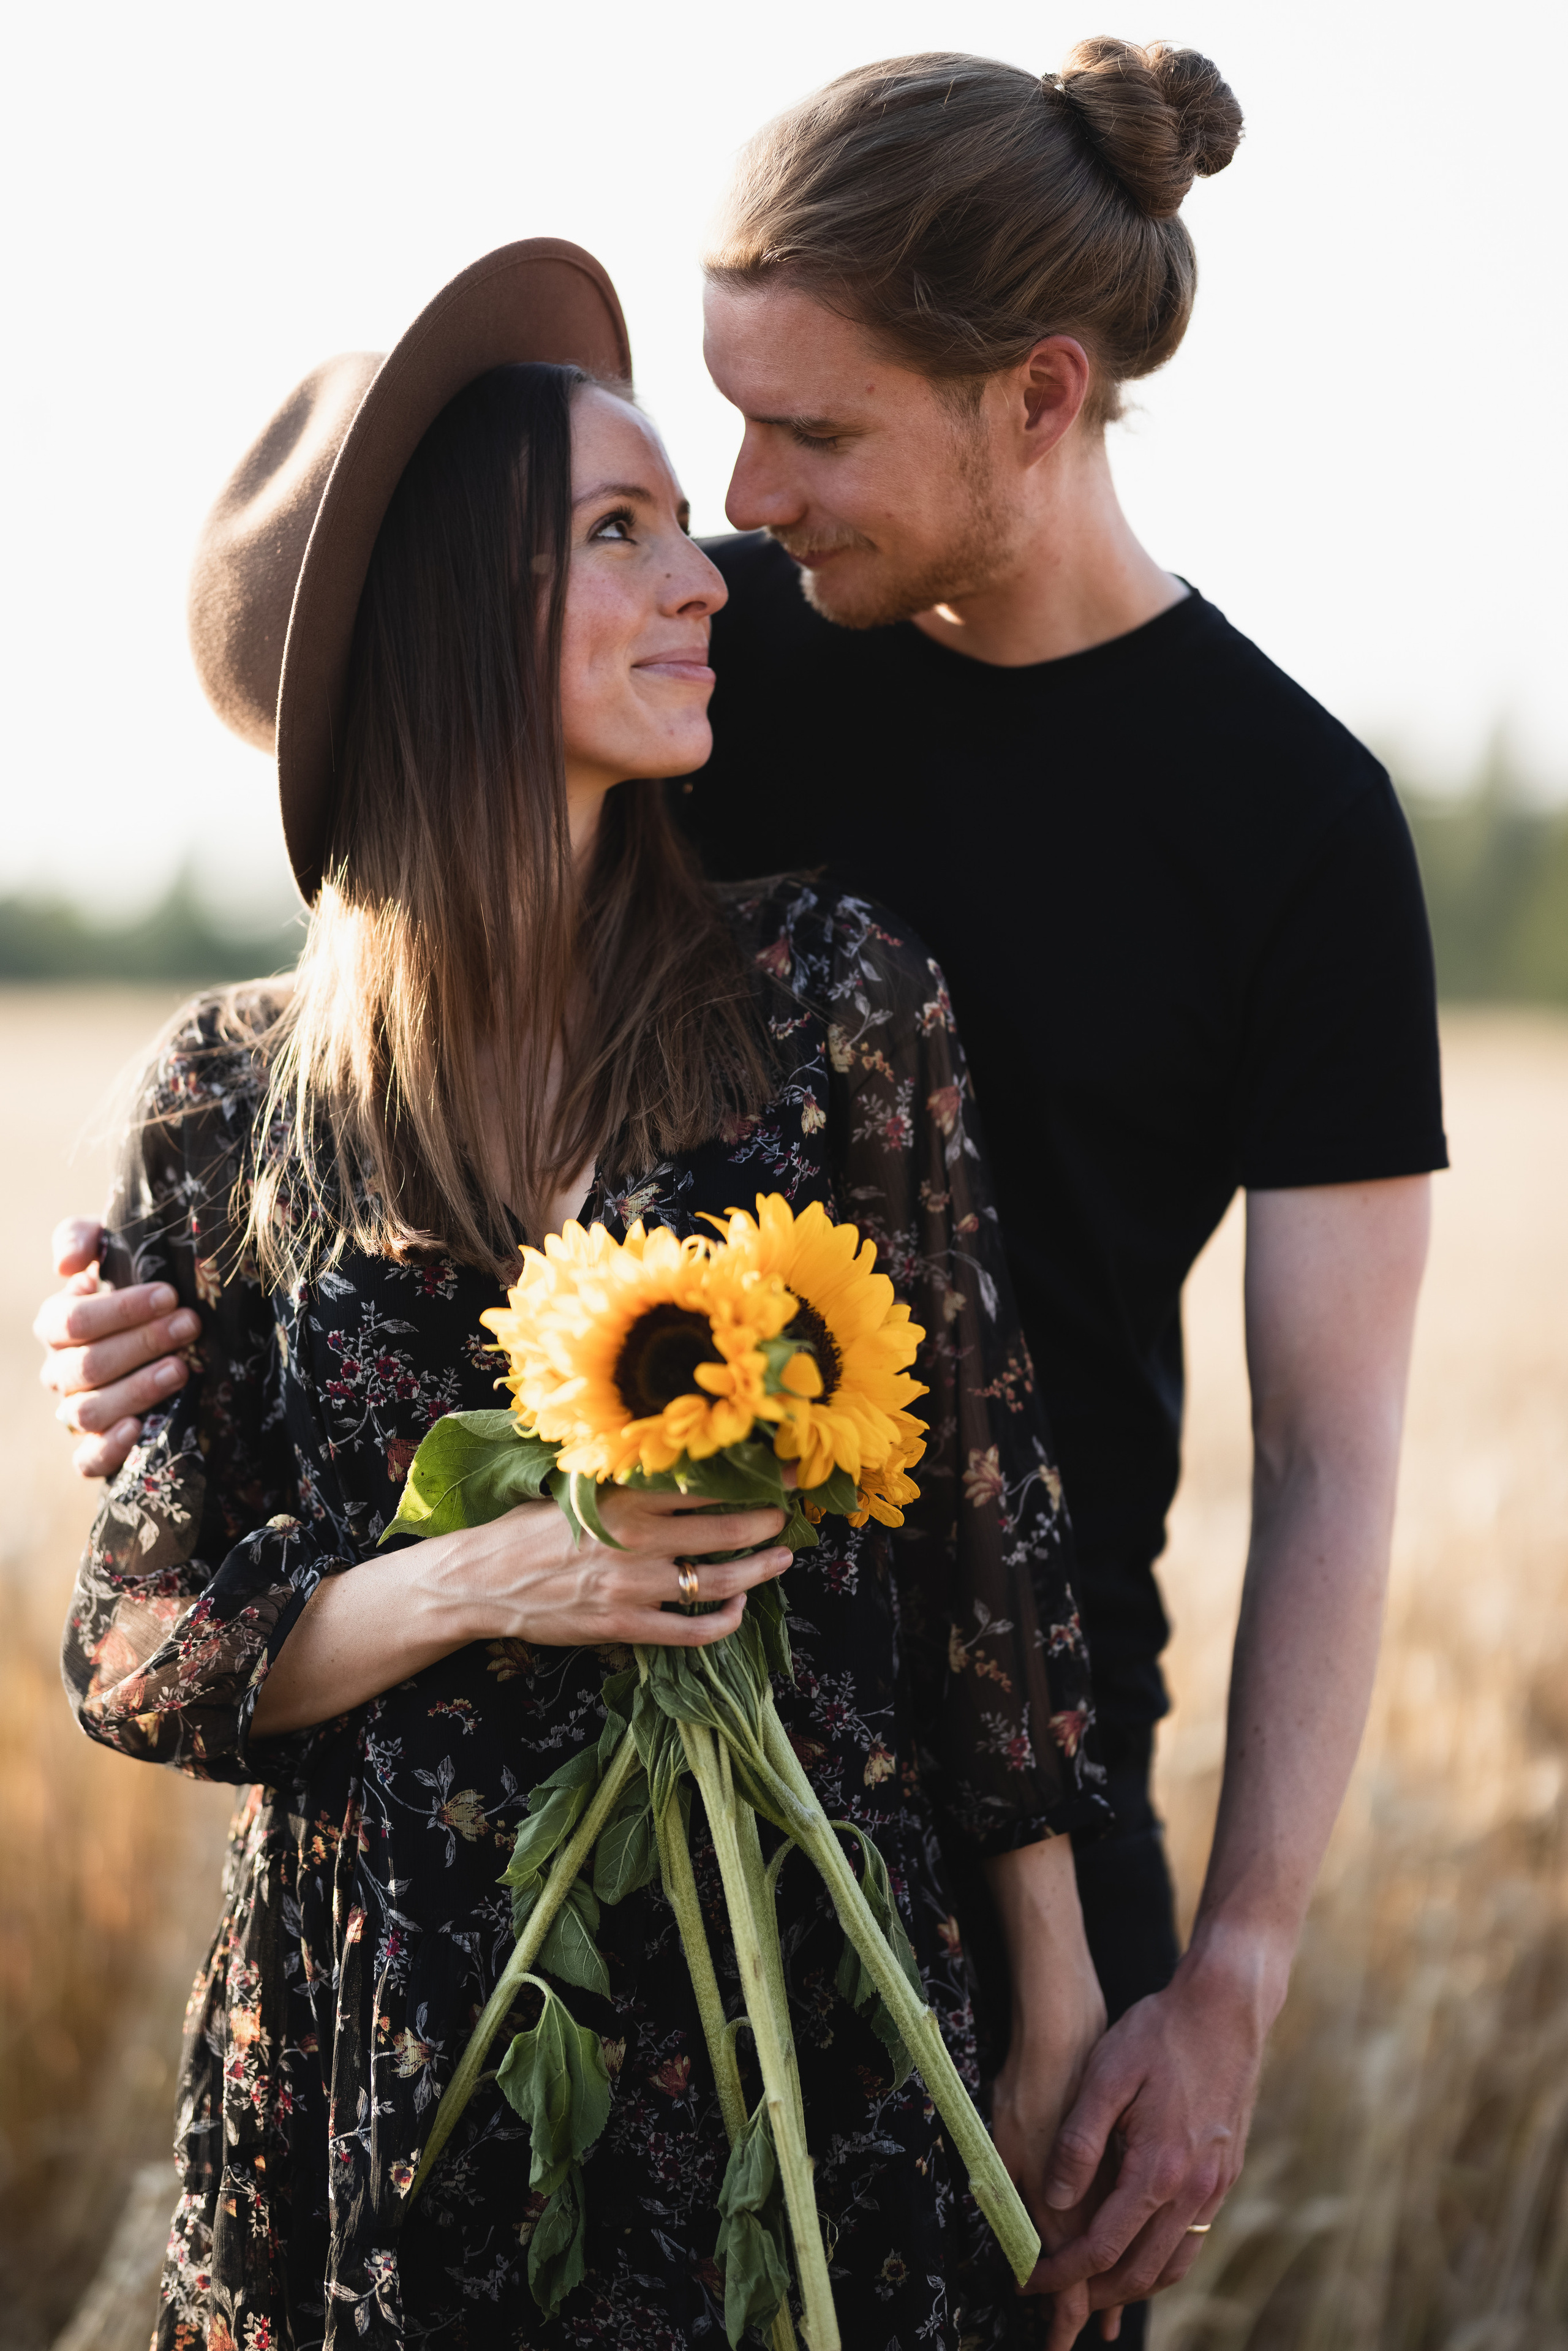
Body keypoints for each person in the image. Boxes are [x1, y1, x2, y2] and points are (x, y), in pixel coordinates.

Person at [37, 37, 1444, 2344]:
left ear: (1040, 398)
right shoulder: (725, 658)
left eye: (808, 436)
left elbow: (1337, 1448)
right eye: (710, 433)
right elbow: (412, 915)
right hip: (455, 1874)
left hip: (980, 1808)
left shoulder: (1291, 830)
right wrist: (150, 1278)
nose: (737, 510)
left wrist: (1224, 1976)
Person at [51, 240, 1114, 2351]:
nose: (708, 571)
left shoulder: (828, 1007)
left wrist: (1059, 1992)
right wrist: (490, 1579)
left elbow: (987, 1553)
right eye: (618, 533)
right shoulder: (228, 1103)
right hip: (394, 2061)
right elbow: (137, 1650)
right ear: (454, 628)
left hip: (793, 2034)